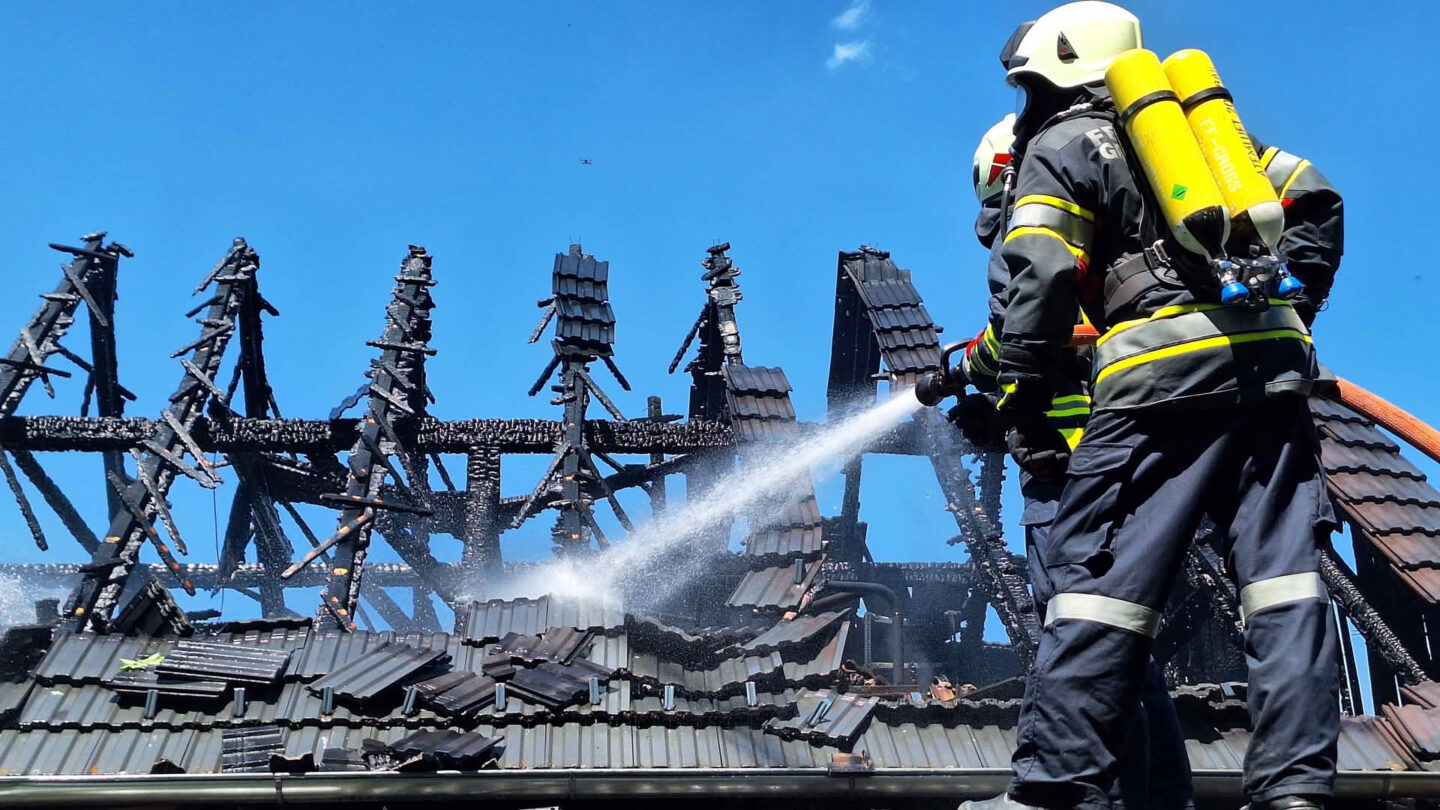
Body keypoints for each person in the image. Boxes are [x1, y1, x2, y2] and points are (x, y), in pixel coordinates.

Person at [959, 3, 1345, 810]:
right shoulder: (1204, 142)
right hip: (1271, 372)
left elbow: (1037, 273)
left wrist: (1017, 394)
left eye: (1030, 85)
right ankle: (1295, 790)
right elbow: (1316, 199)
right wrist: (1295, 311)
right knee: (1284, 587)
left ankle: (1057, 790)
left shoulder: (1063, 144)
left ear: (1059, 69)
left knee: (1098, 586)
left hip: (1158, 385)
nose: (1026, 104)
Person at [954, 114, 1193, 810]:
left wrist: (972, 372)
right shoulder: (1126, 229)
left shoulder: (1049, 233)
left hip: (1077, 491)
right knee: (1124, 652)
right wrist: (1002, 407)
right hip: (1128, 474)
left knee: (1082, 643)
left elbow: (1030, 328)